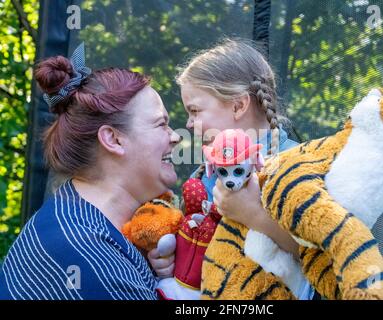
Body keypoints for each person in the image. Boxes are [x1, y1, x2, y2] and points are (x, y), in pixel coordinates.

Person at [0, 44, 180, 300]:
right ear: (113, 139)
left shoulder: (76, 216)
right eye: (161, 124)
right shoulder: (88, 254)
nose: (175, 137)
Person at [172, 39, 313, 299]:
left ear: (238, 105)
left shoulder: (298, 163)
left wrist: (254, 215)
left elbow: (324, 250)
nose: (189, 124)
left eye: (194, 111)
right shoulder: (204, 174)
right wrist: (170, 257)